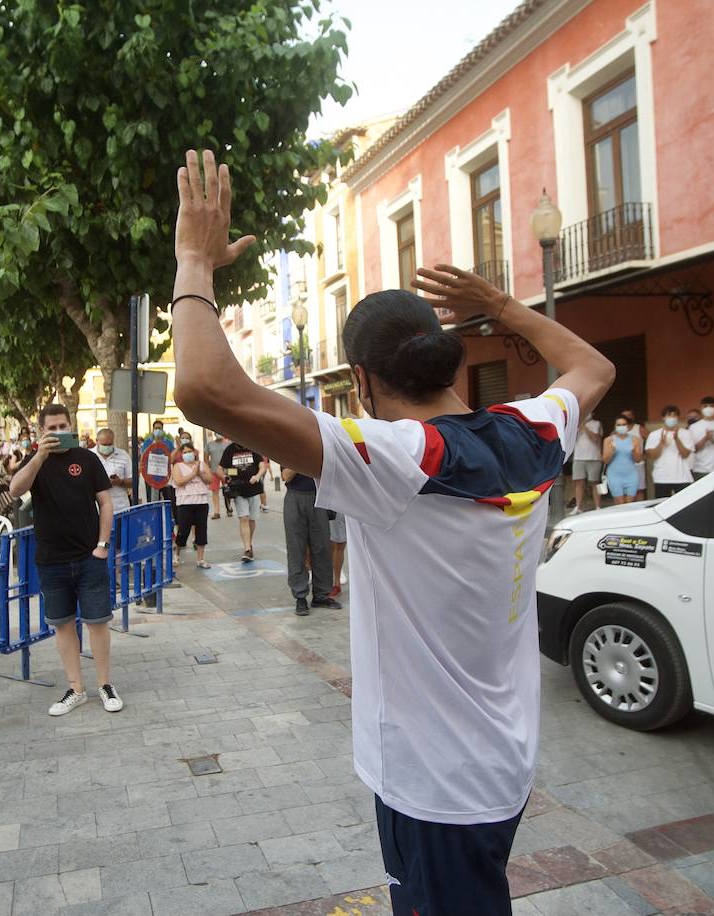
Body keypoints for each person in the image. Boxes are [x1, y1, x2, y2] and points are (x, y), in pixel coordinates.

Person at [167, 149, 613, 914]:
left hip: (433, 789)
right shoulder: (533, 432)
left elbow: (204, 387)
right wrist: (501, 305)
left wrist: (191, 261)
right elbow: (593, 367)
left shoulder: (396, 458)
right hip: (501, 767)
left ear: (364, 384)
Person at [8, 403, 121, 717]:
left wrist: (102, 545)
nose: (58, 432)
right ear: (41, 430)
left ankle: (105, 684)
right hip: (51, 560)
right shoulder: (35, 461)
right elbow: (16, 489)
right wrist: (40, 456)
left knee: (98, 622)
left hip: (89, 557)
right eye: (51, 428)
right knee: (63, 625)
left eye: (62, 426)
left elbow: (106, 502)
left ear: (71, 425)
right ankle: (76, 688)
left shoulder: (87, 458)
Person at [281, 466, 339, 615]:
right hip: (295, 496)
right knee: (296, 548)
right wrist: (300, 458)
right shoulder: (290, 447)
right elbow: (286, 476)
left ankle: (321, 595)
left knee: (322, 547)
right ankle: (300, 596)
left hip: (319, 496)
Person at [219, 440, 268, 562]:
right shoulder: (230, 450)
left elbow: (262, 465)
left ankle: (249, 544)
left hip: (254, 489)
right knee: (244, 518)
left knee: (252, 519)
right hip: (238, 490)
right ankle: (247, 549)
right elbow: (220, 468)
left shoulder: (252, 446)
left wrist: (257, 476)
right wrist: (226, 477)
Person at [170, 442, 212, 568]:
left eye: (190, 451)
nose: (188, 454)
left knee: (201, 530)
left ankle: (200, 558)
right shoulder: (178, 466)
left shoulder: (202, 465)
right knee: (183, 530)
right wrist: (193, 474)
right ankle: (176, 555)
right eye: (185, 452)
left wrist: (200, 473)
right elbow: (178, 481)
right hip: (185, 503)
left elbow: (209, 479)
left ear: (194, 452)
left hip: (201, 502)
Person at [645, 406, 694, 498]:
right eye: (669, 415)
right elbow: (651, 456)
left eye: (674, 415)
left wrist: (677, 440)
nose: (672, 418)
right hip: (662, 478)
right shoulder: (654, 435)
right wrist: (661, 444)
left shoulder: (686, 433)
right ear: (663, 417)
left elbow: (685, 454)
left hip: (683, 478)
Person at [603, 417, 644, 504]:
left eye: (624, 424)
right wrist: (612, 451)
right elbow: (605, 460)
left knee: (630, 503)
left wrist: (634, 451)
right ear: (615, 426)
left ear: (628, 426)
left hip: (631, 475)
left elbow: (638, 460)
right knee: (619, 504)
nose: (621, 427)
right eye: (619, 425)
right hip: (614, 475)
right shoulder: (608, 440)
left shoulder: (635, 440)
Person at [570, 412, 603, 513]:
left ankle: (597, 506)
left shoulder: (597, 423)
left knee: (594, 483)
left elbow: (595, 438)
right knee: (578, 483)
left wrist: (584, 426)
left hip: (593, 457)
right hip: (578, 457)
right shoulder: (576, 424)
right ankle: (578, 507)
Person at [94, 428, 132, 511]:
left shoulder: (123, 455)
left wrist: (120, 482)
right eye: (104, 444)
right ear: (97, 441)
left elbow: (134, 481)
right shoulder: (89, 456)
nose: (107, 447)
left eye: (110, 444)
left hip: (120, 507)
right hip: (96, 508)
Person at [204, 432, 229, 518]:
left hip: (227, 471)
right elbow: (206, 458)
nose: (218, 434)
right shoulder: (209, 445)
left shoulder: (228, 444)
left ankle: (229, 508)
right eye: (216, 432)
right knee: (215, 492)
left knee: (228, 490)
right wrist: (208, 470)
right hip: (214, 471)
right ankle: (217, 512)